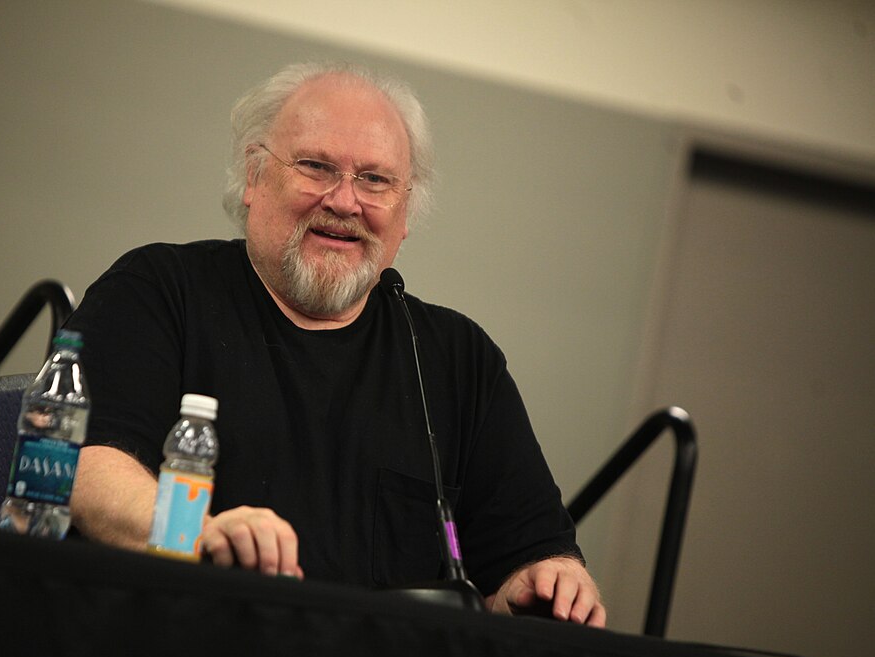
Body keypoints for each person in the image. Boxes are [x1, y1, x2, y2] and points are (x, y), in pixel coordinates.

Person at [65, 61, 606, 627]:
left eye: (375, 179)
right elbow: (87, 471)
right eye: (317, 167)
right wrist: (196, 535)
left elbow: (524, 560)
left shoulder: (457, 361)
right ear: (254, 176)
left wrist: (547, 580)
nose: (345, 202)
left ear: (405, 211)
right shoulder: (157, 290)